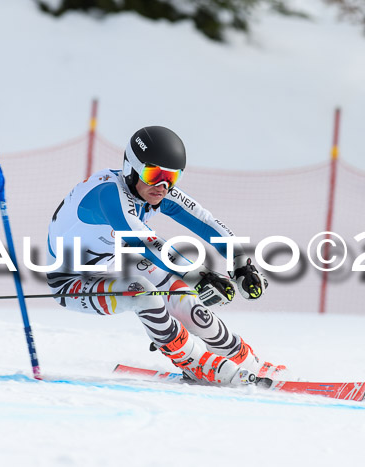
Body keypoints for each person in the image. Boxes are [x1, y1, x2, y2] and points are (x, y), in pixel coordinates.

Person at [46, 126, 285, 385]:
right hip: (71, 281)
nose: (162, 185)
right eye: (154, 174)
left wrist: (240, 264)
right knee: (143, 293)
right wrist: (198, 274)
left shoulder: (154, 191)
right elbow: (143, 240)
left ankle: (244, 360)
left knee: (187, 301)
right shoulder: (108, 194)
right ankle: (193, 363)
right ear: (131, 168)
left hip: (116, 259)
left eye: (172, 177)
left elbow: (204, 221)